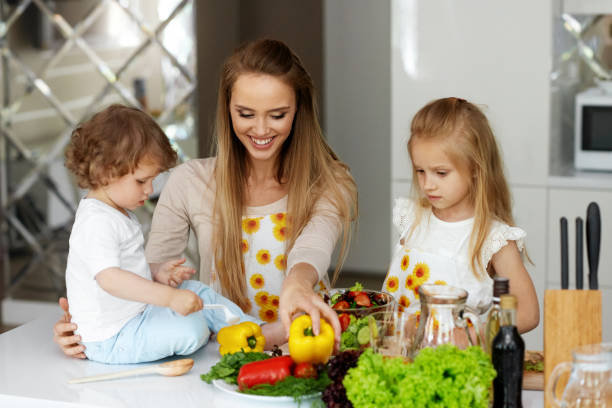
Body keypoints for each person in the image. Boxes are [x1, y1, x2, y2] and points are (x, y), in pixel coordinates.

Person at [54, 39, 358, 358]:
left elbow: (313, 245)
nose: (261, 128)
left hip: (310, 344)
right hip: (222, 354)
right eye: (245, 113)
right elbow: (154, 276)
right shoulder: (190, 181)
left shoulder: (331, 181)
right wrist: (94, 325)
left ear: (299, 110)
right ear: (228, 109)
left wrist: (297, 283)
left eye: (278, 114)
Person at [62, 104, 279, 363]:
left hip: (136, 316)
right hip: (112, 337)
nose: (149, 189)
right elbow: (110, 279)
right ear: (105, 172)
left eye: (152, 180)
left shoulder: (115, 211)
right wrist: (169, 297)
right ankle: (221, 330)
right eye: (141, 181)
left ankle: (257, 332)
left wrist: (154, 271)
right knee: (191, 329)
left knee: (198, 291)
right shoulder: (96, 221)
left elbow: (123, 267)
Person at [383, 97, 539, 333]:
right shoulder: (412, 217)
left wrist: (473, 336)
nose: (427, 184)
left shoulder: (493, 238)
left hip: (453, 362)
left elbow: (528, 313)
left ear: (476, 169)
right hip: (398, 356)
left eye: (441, 173)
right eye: (420, 171)